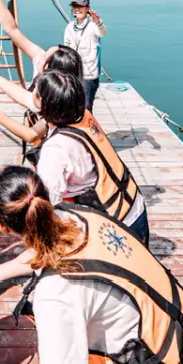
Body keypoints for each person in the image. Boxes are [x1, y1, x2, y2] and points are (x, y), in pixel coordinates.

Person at [0, 166, 183, 364]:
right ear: (44, 194)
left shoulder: (55, 295)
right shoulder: (76, 216)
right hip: (175, 332)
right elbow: (44, 249)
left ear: (3, 227)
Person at [33, 70, 148, 244]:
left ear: (43, 103)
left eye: (35, 92)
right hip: (134, 207)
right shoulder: (84, 117)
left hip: (115, 228)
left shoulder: (55, 149)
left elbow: (51, 204)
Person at [64, 0, 107, 111]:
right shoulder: (69, 27)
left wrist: (98, 21)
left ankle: (88, 129)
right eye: (75, 6)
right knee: (73, 108)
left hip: (89, 75)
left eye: (80, 6)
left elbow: (103, 32)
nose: (77, 9)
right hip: (73, 74)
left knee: (86, 109)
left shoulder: (94, 25)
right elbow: (67, 50)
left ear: (87, 8)